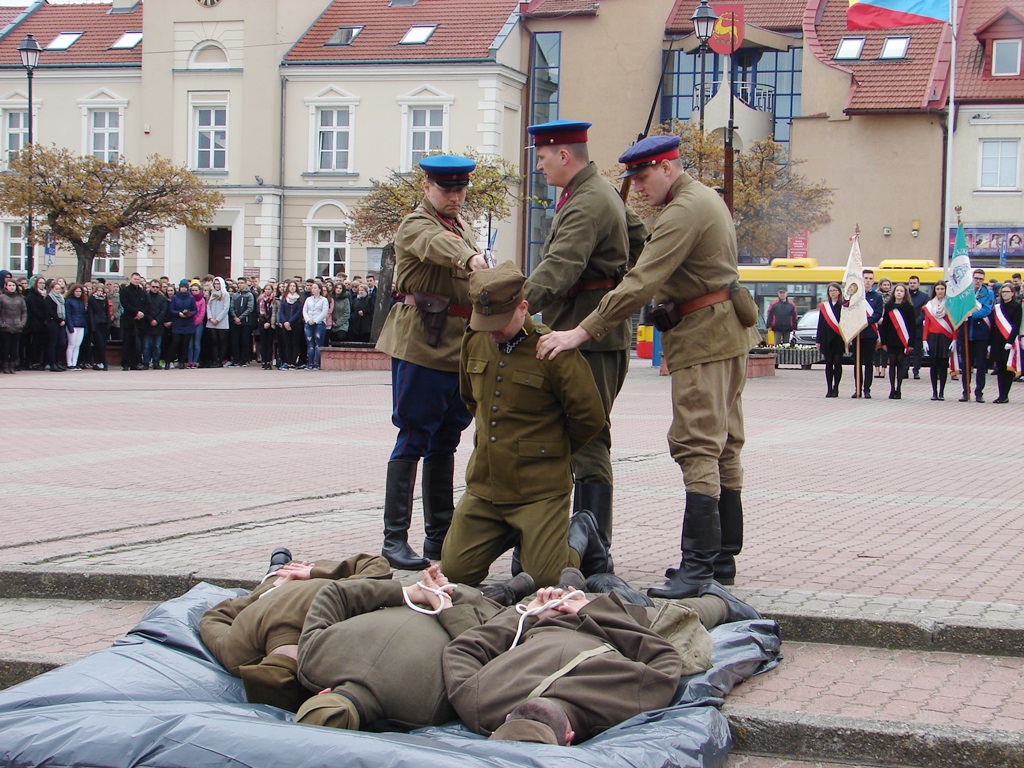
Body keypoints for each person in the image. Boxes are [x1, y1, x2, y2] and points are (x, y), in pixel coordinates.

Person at [536, 135, 760, 598]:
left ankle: (698, 568)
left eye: (642, 177)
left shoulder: (684, 211)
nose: (637, 187)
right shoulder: (699, 199)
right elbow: (646, 248)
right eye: (632, 179)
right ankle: (721, 559)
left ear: (667, 168)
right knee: (725, 445)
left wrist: (583, 330)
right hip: (724, 332)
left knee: (696, 444)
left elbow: (642, 280)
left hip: (705, 337)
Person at [439, 262, 610, 588]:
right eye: (485, 321)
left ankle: (579, 533)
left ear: (523, 308)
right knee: (455, 573)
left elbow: (590, 418)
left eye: (499, 323)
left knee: (545, 580)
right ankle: (524, 540)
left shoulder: (553, 351)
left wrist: (549, 451)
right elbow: (470, 398)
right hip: (486, 486)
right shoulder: (475, 340)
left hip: (539, 491)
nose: (491, 330)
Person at [522, 119, 647, 548]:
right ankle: (582, 540)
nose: (538, 166)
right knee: (579, 434)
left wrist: (513, 308)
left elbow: (559, 269)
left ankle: (594, 547)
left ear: (563, 155)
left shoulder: (588, 201)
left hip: (587, 336)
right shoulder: (593, 194)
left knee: (589, 435)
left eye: (541, 157)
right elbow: (641, 240)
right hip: (587, 332)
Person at [442, 580, 759, 744]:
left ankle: (590, 575)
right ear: (569, 738)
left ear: (506, 718)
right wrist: (592, 610)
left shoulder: (481, 705)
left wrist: (528, 614)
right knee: (677, 620)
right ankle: (718, 600)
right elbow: (664, 655)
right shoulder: (620, 702)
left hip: (546, 616)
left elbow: (462, 650)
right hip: (611, 624)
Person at [375, 155, 489, 570]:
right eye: (447, 189)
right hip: (422, 343)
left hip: (459, 347)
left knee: (447, 441)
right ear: (428, 187)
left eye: (460, 190)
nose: (455, 197)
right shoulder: (416, 224)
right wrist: (472, 259)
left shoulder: (464, 228)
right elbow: (437, 248)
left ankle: (439, 537)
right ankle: (394, 540)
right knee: (413, 436)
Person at [294, 565, 508, 731]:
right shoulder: (313, 660)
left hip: (474, 610)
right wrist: (408, 593)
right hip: (465, 603)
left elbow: (482, 659)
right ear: (323, 692)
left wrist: (440, 603)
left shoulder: (421, 714)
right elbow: (333, 594)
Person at [200, 550, 392, 712]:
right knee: (277, 573)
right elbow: (377, 566)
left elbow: (213, 617)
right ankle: (276, 568)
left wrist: (266, 596)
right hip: (285, 582)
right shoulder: (237, 653)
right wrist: (266, 596)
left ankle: (276, 569)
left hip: (288, 579)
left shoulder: (237, 653)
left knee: (278, 573)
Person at [957, 268, 994, 403]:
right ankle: (966, 391)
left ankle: (979, 392)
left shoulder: (988, 293)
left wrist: (971, 315)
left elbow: (986, 310)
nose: (978, 281)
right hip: (965, 333)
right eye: (976, 278)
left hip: (981, 334)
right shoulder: (965, 293)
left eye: (980, 279)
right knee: (966, 365)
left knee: (981, 365)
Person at [879, 283, 917, 399]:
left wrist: (911, 343)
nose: (899, 293)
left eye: (901, 291)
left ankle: (899, 389)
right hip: (891, 339)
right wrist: (883, 342)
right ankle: (892, 389)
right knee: (892, 363)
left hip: (902, 340)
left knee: (900, 363)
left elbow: (912, 326)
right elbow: (884, 325)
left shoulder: (909, 307)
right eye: (897, 291)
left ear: (905, 293)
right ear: (894, 293)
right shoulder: (889, 306)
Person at [852, 269, 884, 399]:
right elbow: (850, 310)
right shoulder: (856, 296)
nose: (868, 281)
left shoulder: (877, 297)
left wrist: (865, 322)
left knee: (869, 362)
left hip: (870, 333)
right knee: (857, 362)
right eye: (866, 278)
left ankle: (867, 389)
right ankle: (857, 388)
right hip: (857, 334)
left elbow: (877, 314)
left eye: (871, 278)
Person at [922, 281, 954, 401]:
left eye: (942, 289)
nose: (940, 291)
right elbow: (927, 323)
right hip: (933, 337)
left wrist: (954, 339)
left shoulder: (950, 304)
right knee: (934, 365)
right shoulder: (930, 305)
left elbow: (954, 323)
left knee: (943, 364)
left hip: (946, 337)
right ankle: (934, 392)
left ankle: (942, 392)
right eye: (938, 289)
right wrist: (924, 340)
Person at [991, 282, 1021, 403]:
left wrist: (1010, 341)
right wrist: (990, 343)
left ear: (1012, 293)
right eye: (1003, 292)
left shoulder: (1016, 306)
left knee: (1008, 369)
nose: (1005, 294)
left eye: (1007, 292)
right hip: (997, 341)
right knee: (1000, 368)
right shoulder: (998, 307)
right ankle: (1000, 394)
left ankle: (1005, 395)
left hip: (1009, 341)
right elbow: (994, 325)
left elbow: (1016, 325)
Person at [815, 282, 844, 397]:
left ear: (839, 292)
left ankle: (836, 387)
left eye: (834, 290)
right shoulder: (825, 306)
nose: (832, 293)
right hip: (826, 338)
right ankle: (829, 388)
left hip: (839, 338)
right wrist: (818, 340)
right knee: (828, 363)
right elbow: (820, 323)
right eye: (830, 291)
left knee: (837, 362)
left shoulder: (843, 306)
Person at [167, 280, 198, 369]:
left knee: (185, 344)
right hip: (178, 323)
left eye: (184, 287)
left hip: (188, 323)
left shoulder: (191, 298)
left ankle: (182, 361)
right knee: (175, 342)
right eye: (182, 287)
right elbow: (171, 309)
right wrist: (178, 313)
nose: (183, 289)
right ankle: (169, 360)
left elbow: (195, 310)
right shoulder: (175, 298)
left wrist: (189, 314)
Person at [119, 272, 146, 370]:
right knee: (127, 342)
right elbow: (125, 303)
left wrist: (141, 313)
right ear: (131, 279)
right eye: (135, 279)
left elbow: (145, 304)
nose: (136, 281)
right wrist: (136, 312)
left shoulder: (142, 292)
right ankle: (125, 363)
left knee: (137, 344)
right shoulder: (125, 291)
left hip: (139, 321)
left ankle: (135, 363)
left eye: (138, 279)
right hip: (128, 320)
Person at [139, 279, 169, 369]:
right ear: (150, 286)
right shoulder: (145, 296)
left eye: (157, 287)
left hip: (158, 325)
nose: (155, 289)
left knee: (157, 346)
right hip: (147, 324)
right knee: (146, 346)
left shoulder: (162, 298)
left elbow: (163, 311)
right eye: (153, 287)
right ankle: (145, 362)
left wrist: (157, 320)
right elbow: (144, 309)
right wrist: (150, 319)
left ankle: (156, 362)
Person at [0, 276, 26, 374]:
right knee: (5, 348)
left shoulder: (20, 299)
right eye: (10, 285)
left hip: (17, 327)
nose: (12, 287)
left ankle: (12, 365)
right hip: (5, 327)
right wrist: (2, 324)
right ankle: (5, 365)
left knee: (14, 348)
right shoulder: (2, 298)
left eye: (13, 285)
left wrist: (22, 323)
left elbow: (24, 312)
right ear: (6, 287)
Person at [906, 275, 929, 379]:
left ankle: (916, 371)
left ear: (918, 284)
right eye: (910, 283)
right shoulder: (905, 295)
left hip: (918, 327)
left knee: (917, 351)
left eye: (914, 283)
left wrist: (916, 322)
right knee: (905, 350)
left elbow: (925, 313)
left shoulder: (924, 297)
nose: (912, 284)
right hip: (905, 328)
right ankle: (904, 370)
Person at [229, 277, 256, 366]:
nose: (240, 284)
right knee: (235, 340)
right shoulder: (235, 295)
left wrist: (240, 318)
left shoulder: (249, 295)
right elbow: (231, 307)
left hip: (245, 321)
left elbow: (250, 308)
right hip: (235, 321)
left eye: (241, 283)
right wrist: (235, 317)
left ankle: (244, 359)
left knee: (245, 340)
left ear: (245, 284)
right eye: (238, 283)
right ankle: (236, 359)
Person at [302, 281, 328, 370]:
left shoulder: (324, 300)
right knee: (310, 344)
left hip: (319, 324)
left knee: (318, 344)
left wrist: (316, 320)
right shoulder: (308, 299)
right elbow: (305, 310)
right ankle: (309, 363)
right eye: (312, 288)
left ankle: (316, 364)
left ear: (320, 289)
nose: (313, 290)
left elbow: (324, 312)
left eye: (315, 288)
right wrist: (308, 320)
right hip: (309, 323)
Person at [43, 278, 68, 372]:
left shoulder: (61, 298)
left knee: (62, 343)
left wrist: (63, 320)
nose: (58, 290)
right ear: (52, 289)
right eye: (56, 289)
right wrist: (59, 320)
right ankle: (52, 363)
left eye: (59, 289)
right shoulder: (49, 298)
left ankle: (58, 362)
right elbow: (50, 311)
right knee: (53, 343)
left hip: (61, 322)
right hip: (53, 322)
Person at [277, 281, 303, 368]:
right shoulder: (284, 299)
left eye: (294, 286)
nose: (292, 287)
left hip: (296, 324)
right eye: (290, 286)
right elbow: (281, 312)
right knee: (287, 343)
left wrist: (290, 322)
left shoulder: (299, 299)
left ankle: (293, 362)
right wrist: (285, 322)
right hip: (285, 325)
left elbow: (299, 312)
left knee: (295, 343)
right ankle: (288, 362)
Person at [205, 276, 230, 367]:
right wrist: (210, 318)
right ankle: (215, 359)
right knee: (214, 341)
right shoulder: (212, 293)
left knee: (222, 341)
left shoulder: (225, 294)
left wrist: (218, 319)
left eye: (218, 283)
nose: (216, 285)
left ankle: (220, 359)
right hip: (211, 321)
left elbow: (226, 308)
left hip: (221, 321)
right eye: (215, 284)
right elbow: (208, 306)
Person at [64, 284, 89, 370]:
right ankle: (69, 363)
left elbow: (83, 315)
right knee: (71, 345)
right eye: (77, 291)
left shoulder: (82, 302)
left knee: (77, 345)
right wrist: (70, 326)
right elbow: (68, 314)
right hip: (73, 325)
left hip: (81, 325)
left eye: (80, 292)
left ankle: (74, 363)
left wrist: (85, 327)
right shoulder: (68, 301)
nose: (78, 293)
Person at [872, 276, 891, 380]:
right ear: (880, 285)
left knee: (884, 347)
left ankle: (884, 369)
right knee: (876, 347)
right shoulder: (875, 295)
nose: (886, 287)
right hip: (876, 322)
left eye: (888, 285)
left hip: (887, 324)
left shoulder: (891, 296)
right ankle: (877, 368)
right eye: (885, 284)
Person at [257, 281, 277, 369]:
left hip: (271, 324)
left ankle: (269, 361)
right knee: (263, 343)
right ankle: (264, 361)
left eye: (269, 289)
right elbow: (258, 312)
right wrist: (264, 322)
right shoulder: (260, 300)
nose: (267, 291)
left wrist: (269, 322)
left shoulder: (274, 300)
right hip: (262, 324)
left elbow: (274, 312)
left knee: (269, 343)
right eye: (266, 289)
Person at [187, 281, 206, 368]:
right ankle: (189, 361)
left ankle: (195, 361)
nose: (194, 292)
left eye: (196, 290)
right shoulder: (189, 298)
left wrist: (196, 322)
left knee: (196, 343)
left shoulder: (202, 300)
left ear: (199, 291)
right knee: (189, 343)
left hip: (199, 324)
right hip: (189, 323)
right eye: (192, 290)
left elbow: (202, 312)